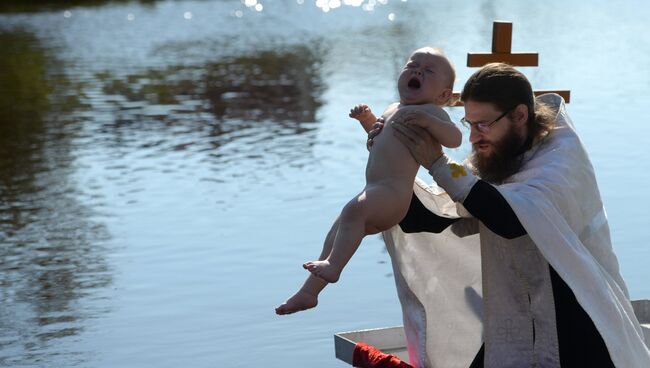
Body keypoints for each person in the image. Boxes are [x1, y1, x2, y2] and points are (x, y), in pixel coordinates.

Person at [372, 63, 650, 367]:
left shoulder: (562, 158)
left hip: (581, 318)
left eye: (484, 124)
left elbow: (510, 220)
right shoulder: (498, 155)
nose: (474, 138)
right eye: (469, 124)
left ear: (519, 115)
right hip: (516, 318)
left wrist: (438, 163)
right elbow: (435, 219)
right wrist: (392, 159)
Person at [275, 47, 462, 315]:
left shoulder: (432, 112)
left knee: (352, 211)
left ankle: (334, 267)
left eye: (429, 71)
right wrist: (368, 122)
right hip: (375, 191)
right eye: (412, 65)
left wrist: (429, 122)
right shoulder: (394, 108)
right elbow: (382, 142)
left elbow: (454, 139)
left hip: (394, 196)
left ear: (443, 95)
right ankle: (309, 292)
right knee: (337, 230)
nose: (418, 71)